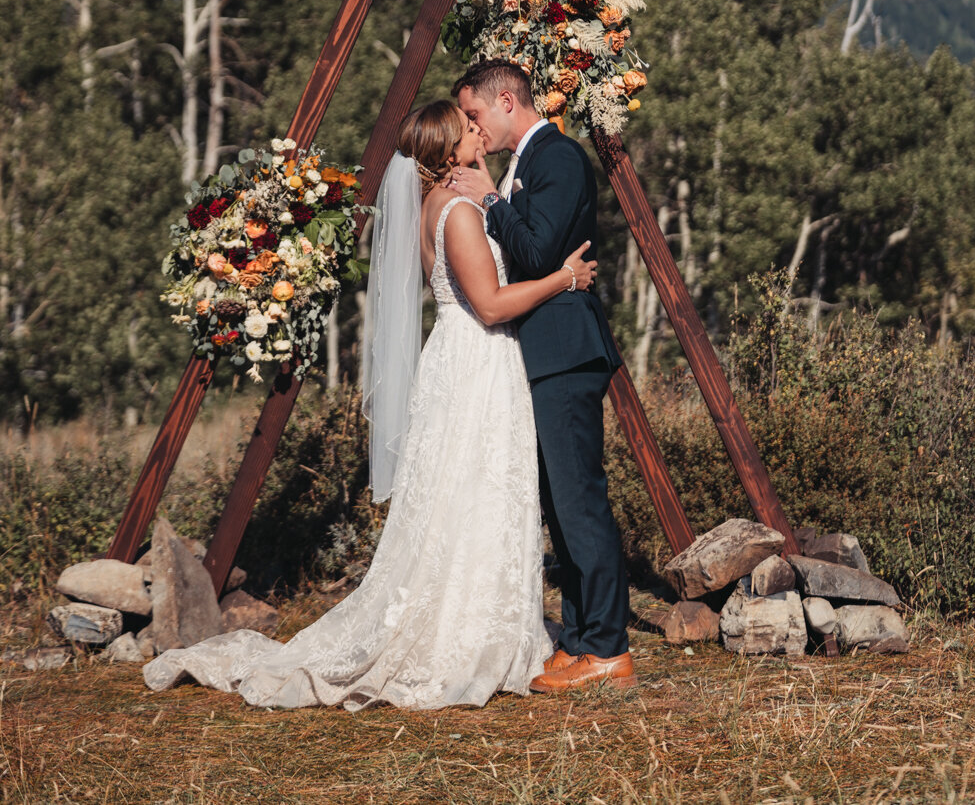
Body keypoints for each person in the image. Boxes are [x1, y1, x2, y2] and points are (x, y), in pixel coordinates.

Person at [143, 99, 596, 710]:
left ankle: (479, 621)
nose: (476, 133)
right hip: (478, 359)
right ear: (444, 151)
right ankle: (464, 638)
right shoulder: (459, 212)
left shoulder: (437, 207)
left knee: (466, 496)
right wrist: (563, 278)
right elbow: (489, 305)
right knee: (478, 492)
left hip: (463, 359)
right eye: (466, 129)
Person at [449, 60, 634, 694]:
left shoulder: (557, 157)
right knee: (559, 501)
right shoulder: (528, 162)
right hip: (544, 351)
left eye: (475, 114)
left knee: (580, 498)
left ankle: (608, 647)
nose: (473, 128)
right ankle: (580, 639)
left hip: (567, 350)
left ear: (507, 101)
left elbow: (535, 253)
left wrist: (491, 200)